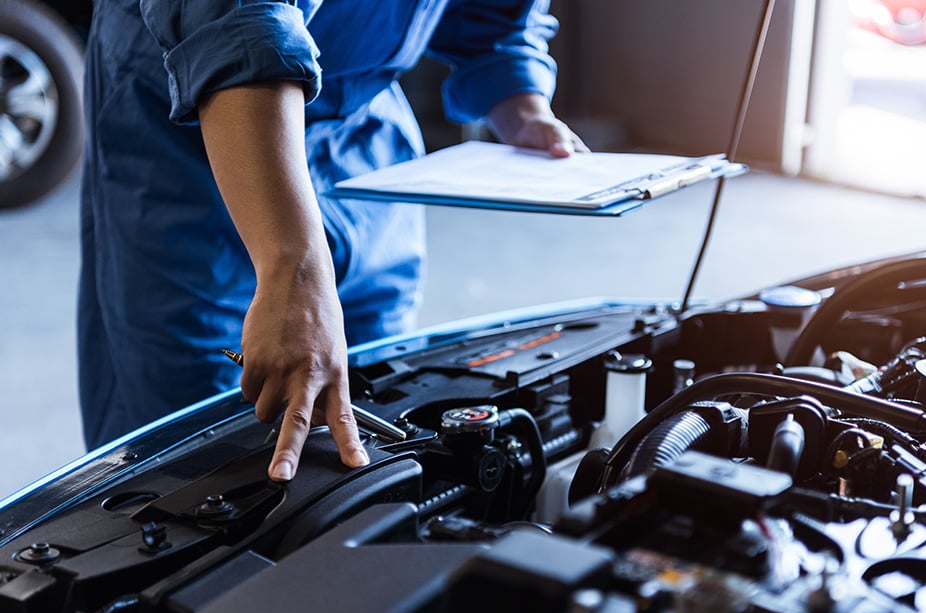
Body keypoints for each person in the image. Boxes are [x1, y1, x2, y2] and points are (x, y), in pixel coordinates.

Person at [79, 0, 587, 481]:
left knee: (383, 401)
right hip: (201, 139)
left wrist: (522, 102)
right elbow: (238, 20)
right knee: (196, 454)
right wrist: (291, 266)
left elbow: (496, 17)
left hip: (362, 136)